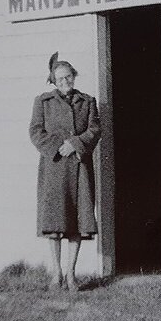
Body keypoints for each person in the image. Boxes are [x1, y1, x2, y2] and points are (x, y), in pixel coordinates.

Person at [28, 53, 101, 291]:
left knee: (77, 221)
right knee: (55, 221)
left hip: (80, 168)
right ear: (53, 80)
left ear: (74, 76)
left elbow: (94, 129)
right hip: (54, 168)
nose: (65, 82)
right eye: (59, 78)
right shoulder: (43, 102)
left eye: (68, 77)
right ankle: (56, 273)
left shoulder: (88, 101)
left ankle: (71, 273)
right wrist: (58, 148)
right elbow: (36, 131)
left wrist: (76, 144)